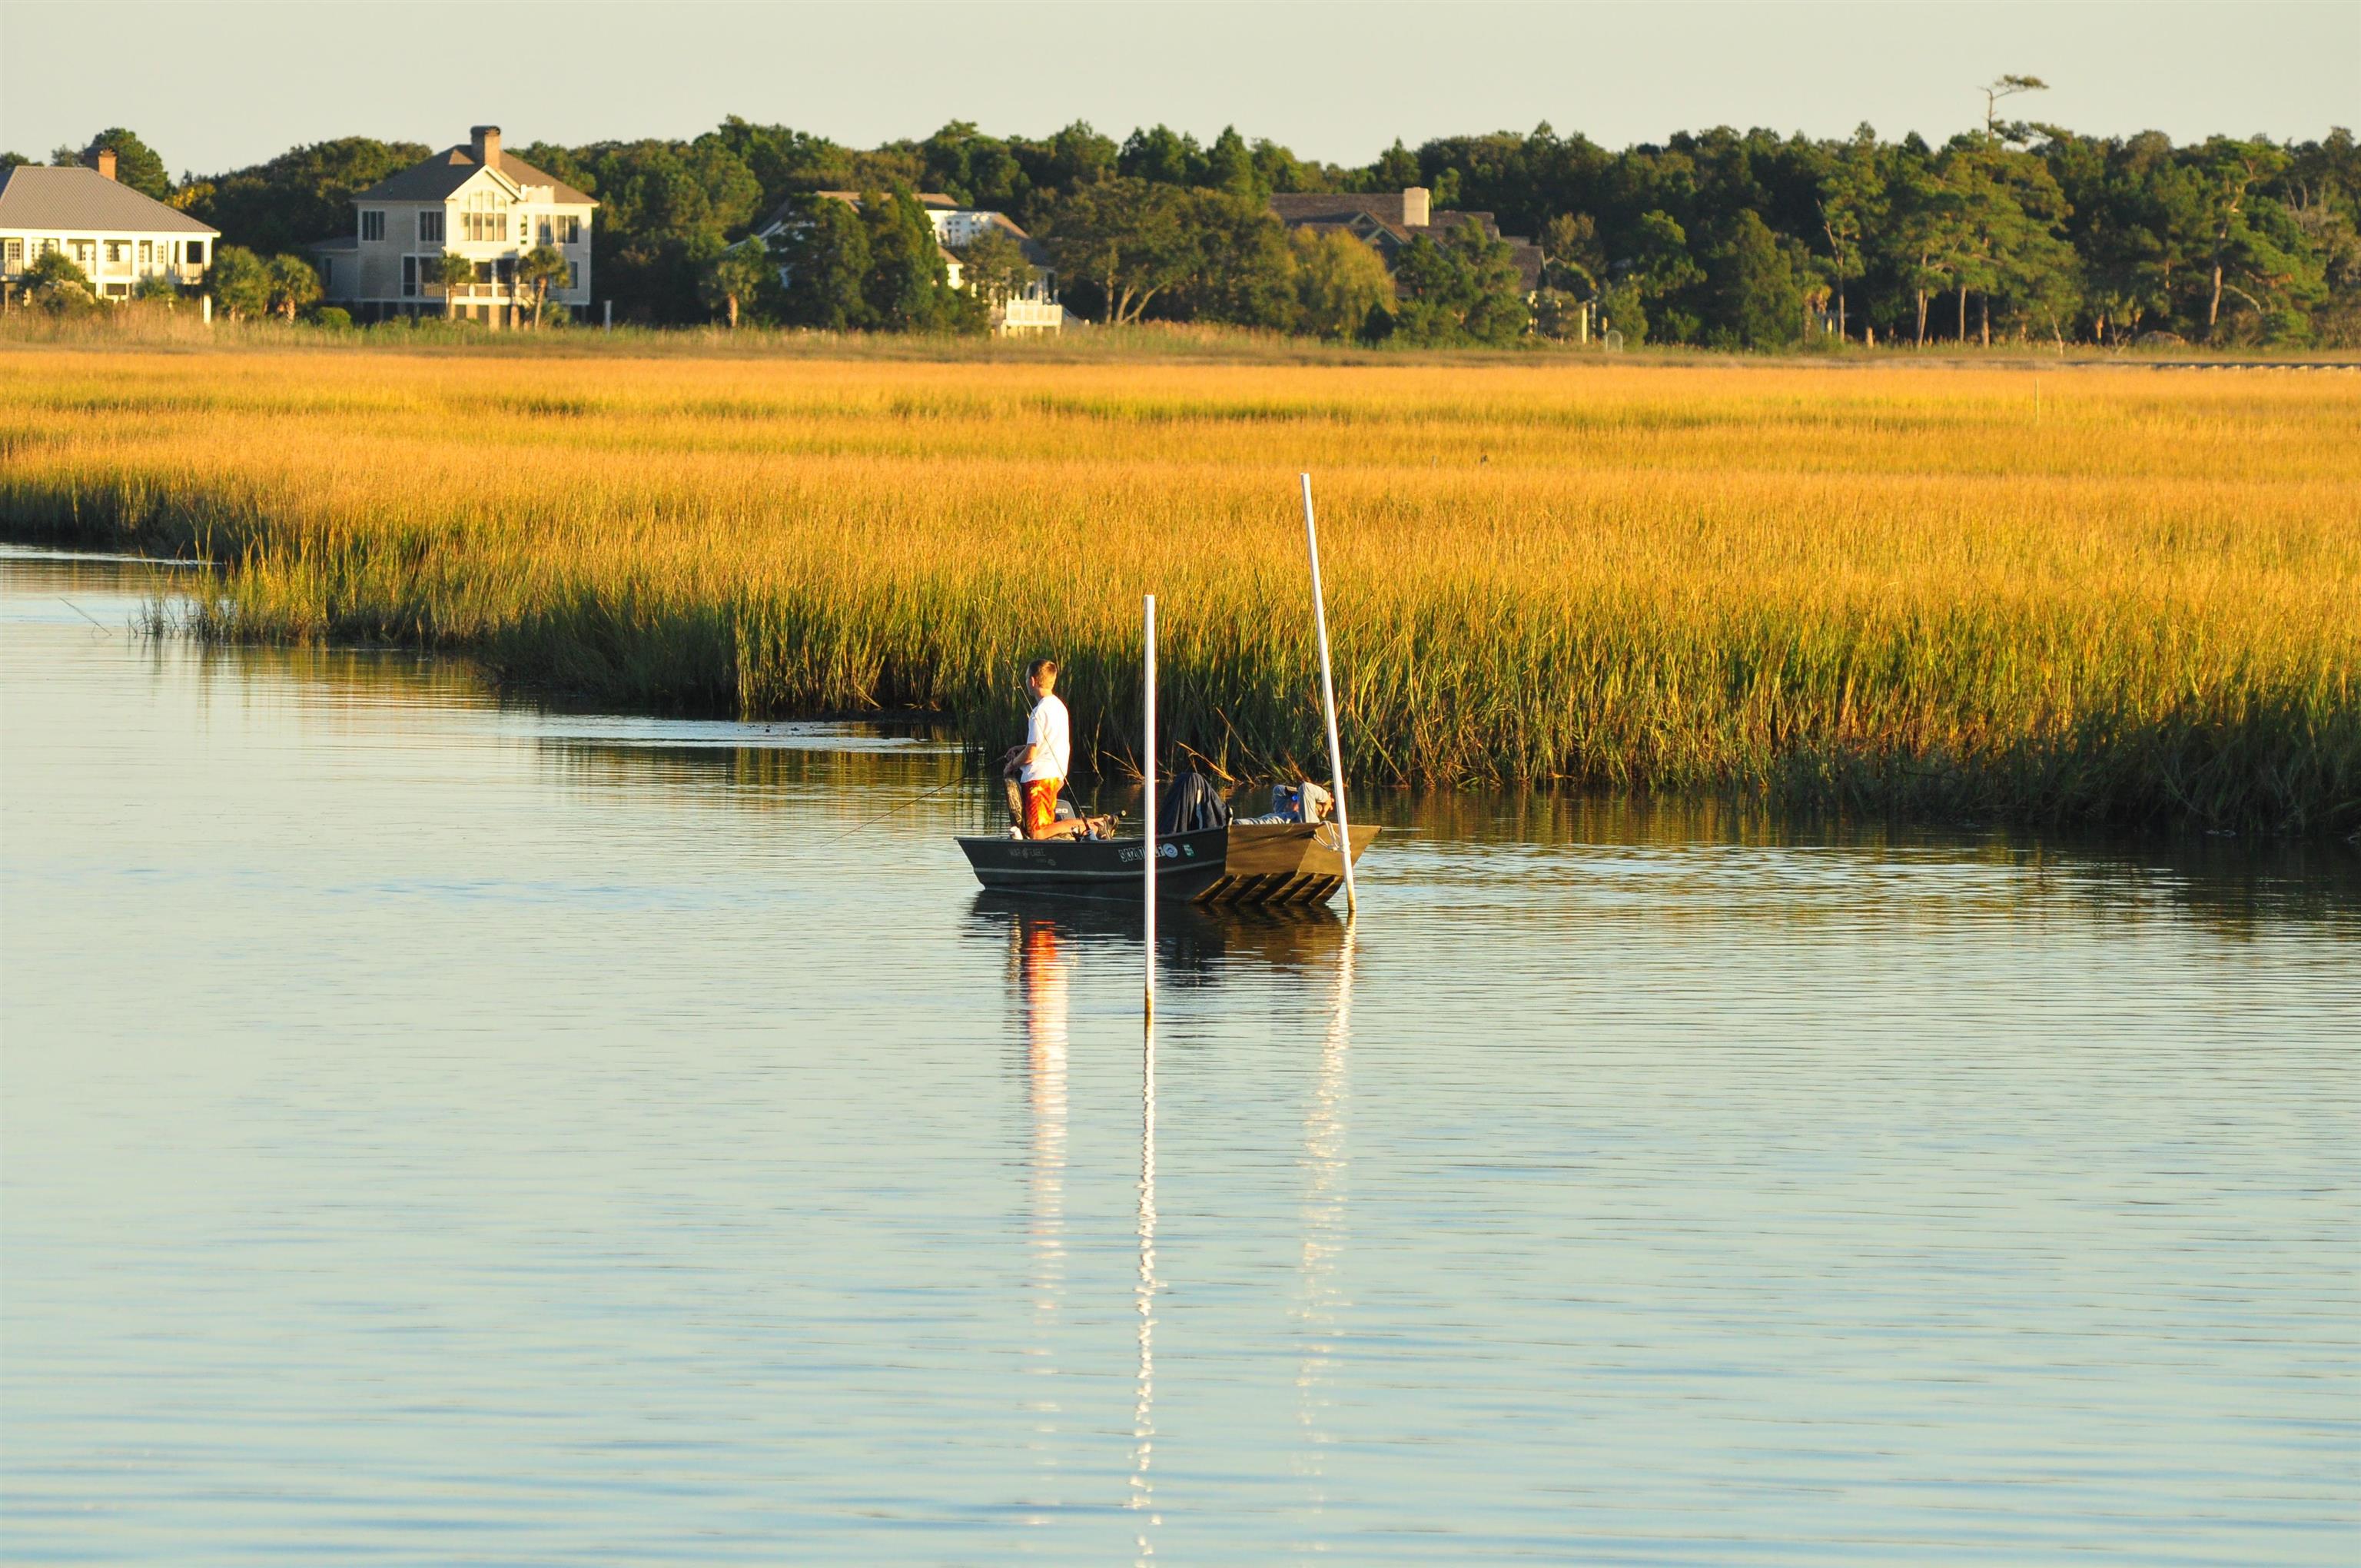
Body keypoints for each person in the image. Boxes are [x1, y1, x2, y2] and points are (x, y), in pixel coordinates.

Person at [1002, 658, 1091, 841]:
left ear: (1033, 681)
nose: (1026, 681)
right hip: (1055, 776)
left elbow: (1031, 754)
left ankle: (1097, 824)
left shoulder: (1039, 712)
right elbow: (1049, 741)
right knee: (1042, 830)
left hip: (1040, 778)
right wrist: (1021, 748)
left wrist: (1011, 764)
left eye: (1027, 677)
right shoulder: (1059, 706)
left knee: (1037, 832)